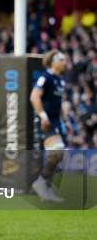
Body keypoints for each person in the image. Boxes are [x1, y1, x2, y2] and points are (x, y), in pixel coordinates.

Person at [30, 50, 68, 202]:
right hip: (46, 121)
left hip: (57, 121)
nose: (65, 62)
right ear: (54, 62)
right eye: (62, 60)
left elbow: (59, 104)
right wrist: (43, 116)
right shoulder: (45, 77)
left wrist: (64, 121)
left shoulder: (60, 80)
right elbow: (34, 97)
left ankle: (47, 188)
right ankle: (40, 182)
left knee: (59, 155)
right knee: (57, 152)